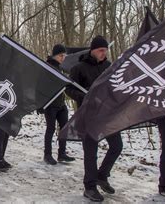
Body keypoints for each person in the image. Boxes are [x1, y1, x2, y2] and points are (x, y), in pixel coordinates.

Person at [66, 35, 122, 202]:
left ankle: (102, 176)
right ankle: (89, 187)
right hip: (87, 115)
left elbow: (114, 85)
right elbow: (68, 89)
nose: (104, 53)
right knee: (91, 152)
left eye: (105, 50)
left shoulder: (108, 66)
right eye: (100, 50)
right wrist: (83, 97)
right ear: (93, 50)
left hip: (106, 114)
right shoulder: (79, 68)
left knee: (117, 145)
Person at [42, 44, 75, 164]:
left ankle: (62, 154)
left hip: (61, 103)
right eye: (61, 55)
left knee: (64, 129)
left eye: (64, 56)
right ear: (55, 55)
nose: (63, 58)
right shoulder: (47, 67)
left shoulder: (61, 67)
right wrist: (41, 104)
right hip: (50, 104)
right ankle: (47, 154)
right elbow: (41, 86)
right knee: (50, 129)